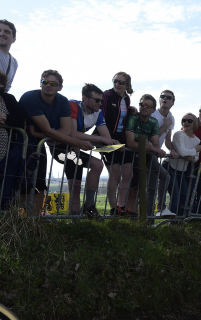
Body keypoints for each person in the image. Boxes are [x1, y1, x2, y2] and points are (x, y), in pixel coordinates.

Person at [20, 70, 93, 215]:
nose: (48, 85)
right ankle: (19, 220)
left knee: (40, 182)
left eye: (53, 83)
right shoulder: (30, 98)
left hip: (38, 142)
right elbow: (49, 129)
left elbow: (66, 131)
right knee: (20, 180)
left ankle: (35, 221)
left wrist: (39, 134)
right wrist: (77, 142)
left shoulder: (62, 101)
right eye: (44, 82)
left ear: (60, 87)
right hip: (19, 142)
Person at [66, 83, 119, 217]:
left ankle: (88, 206)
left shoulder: (98, 113)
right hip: (60, 145)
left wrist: (115, 143)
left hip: (74, 147)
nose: (100, 103)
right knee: (75, 185)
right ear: (84, 98)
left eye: (101, 100)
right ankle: (75, 219)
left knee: (96, 166)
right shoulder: (72, 105)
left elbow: (106, 137)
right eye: (97, 100)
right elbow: (72, 133)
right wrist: (100, 139)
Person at [123, 94, 166, 216]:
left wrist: (151, 147)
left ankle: (155, 213)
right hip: (131, 156)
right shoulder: (133, 118)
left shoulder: (154, 122)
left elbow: (156, 144)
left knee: (163, 177)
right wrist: (150, 147)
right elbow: (130, 143)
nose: (144, 107)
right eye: (142, 104)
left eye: (148, 106)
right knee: (134, 185)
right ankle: (130, 214)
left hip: (146, 156)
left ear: (153, 109)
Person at [101, 72, 134, 216]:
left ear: (127, 85)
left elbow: (123, 116)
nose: (117, 84)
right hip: (105, 136)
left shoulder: (127, 99)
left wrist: (132, 111)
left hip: (121, 138)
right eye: (115, 81)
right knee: (114, 173)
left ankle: (122, 207)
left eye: (122, 82)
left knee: (128, 173)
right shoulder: (107, 95)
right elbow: (99, 116)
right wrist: (107, 139)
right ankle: (113, 208)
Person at [168, 113, 201, 216]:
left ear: (195, 123)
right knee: (175, 195)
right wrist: (195, 150)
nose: (186, 122)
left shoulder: (197, 140)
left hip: (182, 170)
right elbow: (182, 152)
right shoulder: (179, 134)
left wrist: (192, 156)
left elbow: (196, 157)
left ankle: (179, 220)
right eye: (184, 120)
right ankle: (172, 221)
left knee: (184, 195)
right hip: (171, 166)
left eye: (189, 121)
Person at [0, 70, 26, 208]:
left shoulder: (8, 99)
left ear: (2, 84)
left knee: (4, 183)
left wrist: (5, 118)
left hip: (6, 151)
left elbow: (22, 121)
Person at [152, 90, 177, 217]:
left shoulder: (171, 117)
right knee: (164, 177)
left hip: (154, 155)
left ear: (172, 103)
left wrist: (172, 149)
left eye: (168, 97)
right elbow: (152, 137)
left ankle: (149, 219)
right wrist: (165, 125)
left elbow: (167, 140)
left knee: (151, 186)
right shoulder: (153, 114)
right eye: (162, 96)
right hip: (146, 151)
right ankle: (160, 209)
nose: (165, 99)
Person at [0, 20, 18, 92]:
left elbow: (7, 87)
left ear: (14, 39)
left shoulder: (14, 62)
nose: (1, 34)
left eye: (6, 32)